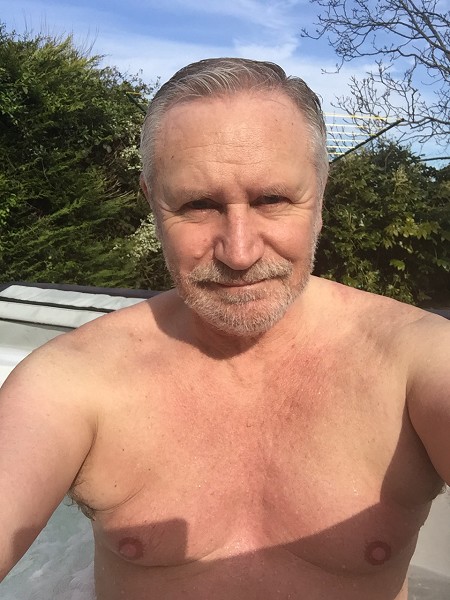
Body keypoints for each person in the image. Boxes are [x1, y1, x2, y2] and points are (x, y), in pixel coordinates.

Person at [0, 57, 449, 600]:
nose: (239, 252)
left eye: (272, 199)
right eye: (198, 205)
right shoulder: (71, 380)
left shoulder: (418, 363)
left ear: (321, 191)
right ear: (152, 202)